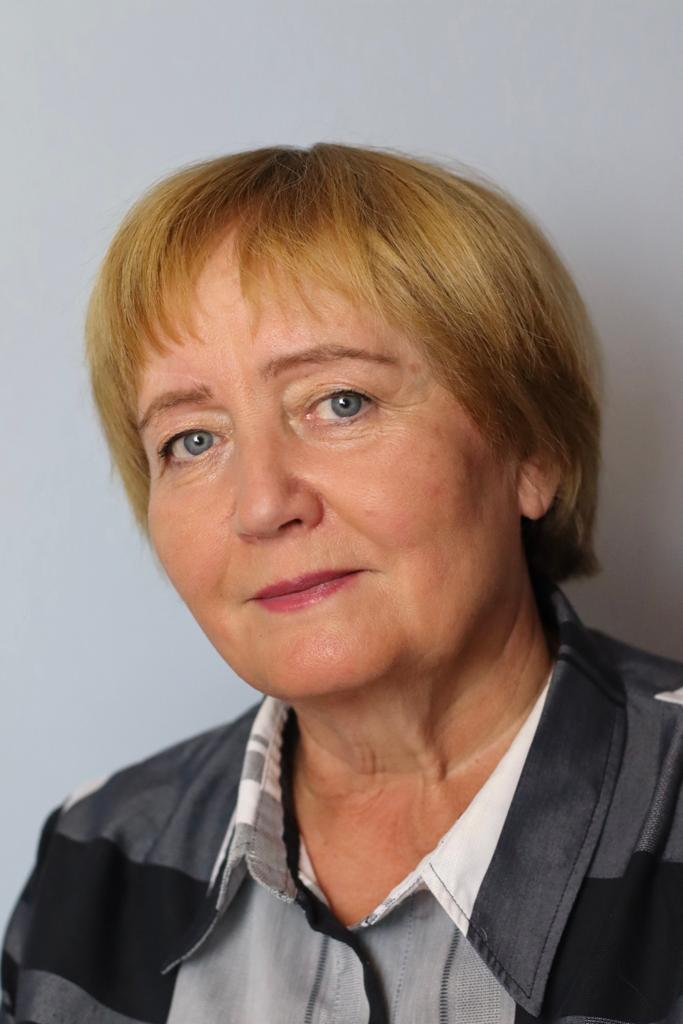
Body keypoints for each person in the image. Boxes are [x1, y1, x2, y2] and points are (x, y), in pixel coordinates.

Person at [2, 143, 682, 1024]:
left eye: (340, 402)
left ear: (531, 452)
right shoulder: (97, 856)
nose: (261, 505)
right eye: (193, 440)